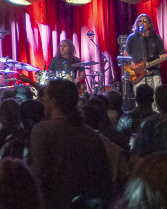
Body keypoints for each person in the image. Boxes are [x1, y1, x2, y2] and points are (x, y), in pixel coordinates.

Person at [29, 79, 112, 209]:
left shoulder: (42, 130)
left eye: (45, 96)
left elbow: (39, 175)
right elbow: (105, 180)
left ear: (53, 101)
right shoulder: (92, 136)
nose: (42, 100)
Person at [124, 15, 167, 90]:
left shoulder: (156, 38)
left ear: (149, 24)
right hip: (138, 73)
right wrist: (131, 63)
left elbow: (161, 55)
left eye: (144, 21)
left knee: (156, 96)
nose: (141, 23)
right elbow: (126, 53)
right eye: (139, 21)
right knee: (140, 97)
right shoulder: (132, 38)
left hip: (154, 71)